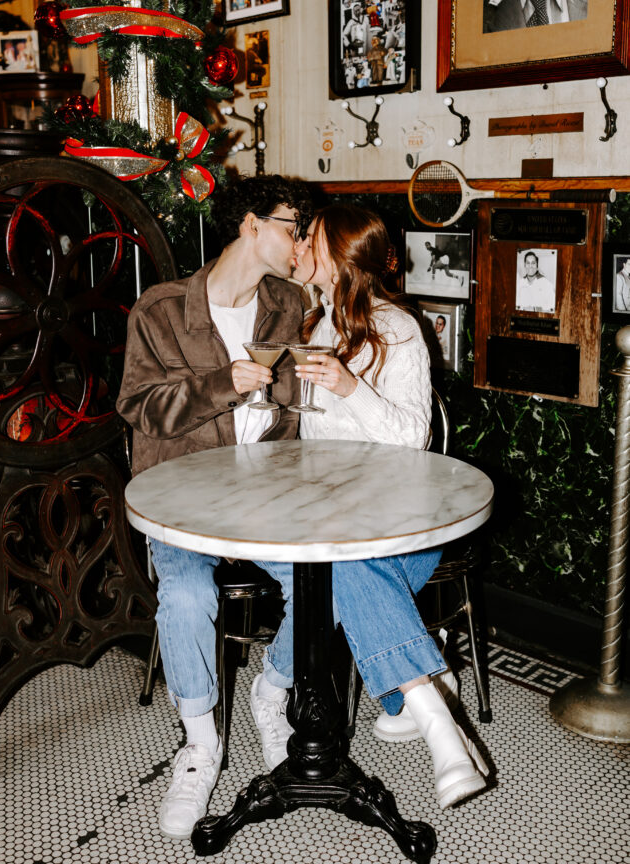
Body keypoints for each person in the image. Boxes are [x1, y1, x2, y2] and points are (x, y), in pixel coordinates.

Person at [116, 175, 313, 840]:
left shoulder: (290, 303)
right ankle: (199, 748)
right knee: (187, 596)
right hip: (182, 493)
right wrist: (217, 386)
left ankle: (270, 693)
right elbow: (139, 407)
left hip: (267, 488)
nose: (299, 242)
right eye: (291, 226)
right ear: (249, 225)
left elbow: (300, 393)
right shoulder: (162, 310)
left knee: (325, 583)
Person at [291, 206, 489, 810]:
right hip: (340, 511)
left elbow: (413, 441)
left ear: (340, 254)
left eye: (312, 238)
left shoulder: (398, 328)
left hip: (407, 517)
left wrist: (352, 387)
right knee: (337, 560)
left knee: (335, 569)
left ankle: (419, 704)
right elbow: (312, 443)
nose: (302, 244)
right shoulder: (318, 326)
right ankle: (428, 701)